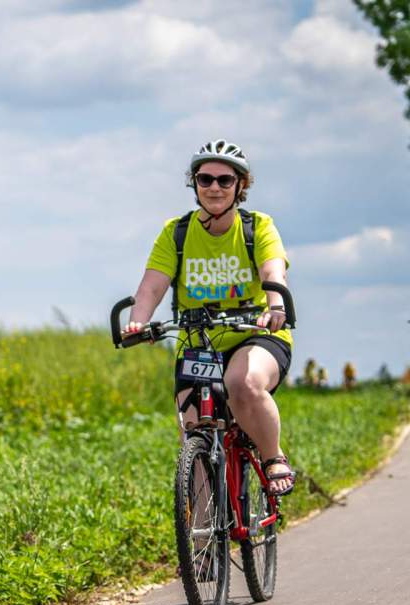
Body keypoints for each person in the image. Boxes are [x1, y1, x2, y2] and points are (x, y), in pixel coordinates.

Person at [123, 139, 295, 496]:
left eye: (224, 180)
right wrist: (138, 321)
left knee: (242, 384)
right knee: (193, 432)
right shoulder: (176, 232)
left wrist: (275, 306)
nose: (214, 187)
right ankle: (201, 527)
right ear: (195, 184)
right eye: (205, 179)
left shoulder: (257, 226)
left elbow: (272, 272)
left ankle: (273, 456)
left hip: (255, 333)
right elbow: (151, 287)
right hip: (198, 341)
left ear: (240, 185)